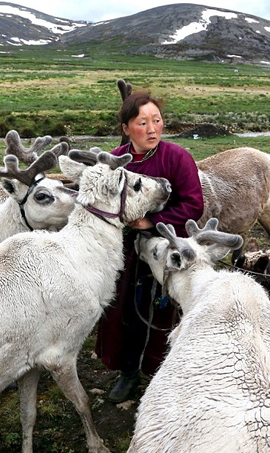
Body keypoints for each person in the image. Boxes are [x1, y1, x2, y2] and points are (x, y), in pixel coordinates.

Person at [95, 90, 204, 403]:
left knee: (162, 313)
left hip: (165, 248)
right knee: (122, 310)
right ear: (127, 128)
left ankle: (162, 373)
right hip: (124, 253)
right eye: (143, 122)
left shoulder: (177, 157)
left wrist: (150, 222)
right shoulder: (115, 160)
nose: (153, 128)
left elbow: (193, 205)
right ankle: (127, 372)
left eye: (157, 120)